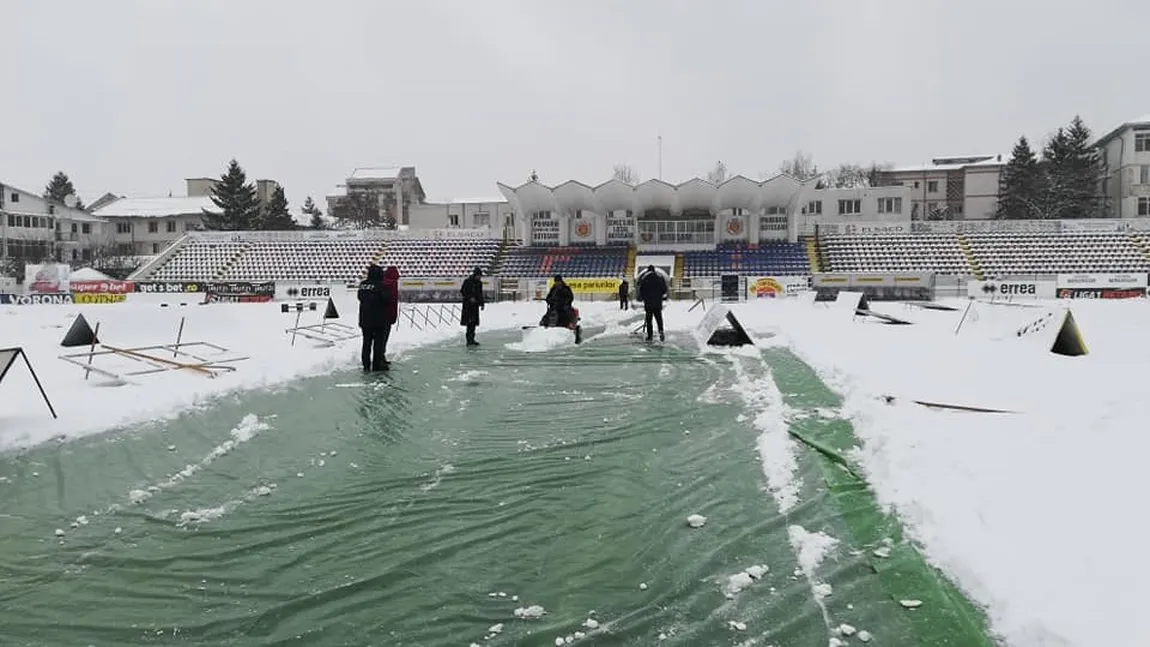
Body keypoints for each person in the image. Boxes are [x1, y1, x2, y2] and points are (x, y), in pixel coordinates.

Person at [358, 264, 398, 371]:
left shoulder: (363, 284)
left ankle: (366, 366)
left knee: (366, 344)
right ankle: (376, 366)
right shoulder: (381, 286)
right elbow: (387, 299)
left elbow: (360, 297)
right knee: (378, 345)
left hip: (365, 320)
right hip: (379, 320)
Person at [637, 264, 669, 342]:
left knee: (649, 320)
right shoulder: (660, 277)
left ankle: (650, 336)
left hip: (648, 304)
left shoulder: (645, 278)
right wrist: (659, 296)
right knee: (659, 319)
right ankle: (661, 332)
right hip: (657, 303)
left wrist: (644, 298)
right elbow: (664, 290)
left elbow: (641, 291)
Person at [460, 267, 485, 346]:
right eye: (478, 275)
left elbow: (480, 294)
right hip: (468, 306)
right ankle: (469, 340)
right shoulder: (467, 281)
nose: (479, 277)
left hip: (475, 306)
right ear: (475, 275)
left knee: (473, 323)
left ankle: (472, 339)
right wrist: (470, 298)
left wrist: (482, 303)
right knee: (469, 323)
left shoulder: (479, 283)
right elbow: (463, 291)